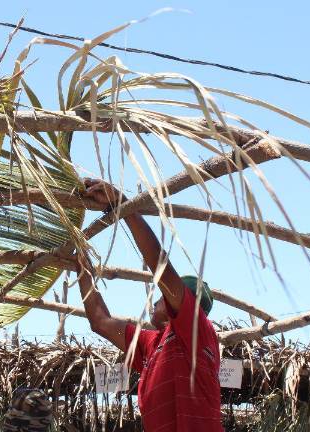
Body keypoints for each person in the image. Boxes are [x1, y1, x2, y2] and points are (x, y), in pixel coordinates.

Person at [77, 178, 223, 432]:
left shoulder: (196, 329)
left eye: (164, 295)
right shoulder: (151, 345)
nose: (157, 298)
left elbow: (161, 268)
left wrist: (123, 206)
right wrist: (81, 267)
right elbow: (100, 322)